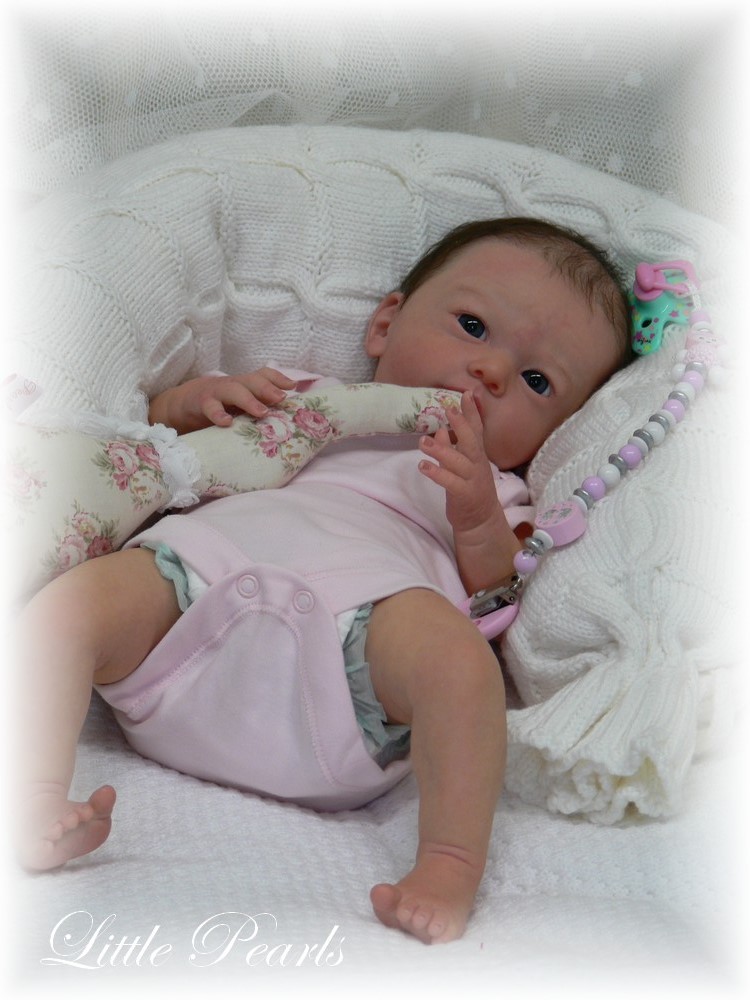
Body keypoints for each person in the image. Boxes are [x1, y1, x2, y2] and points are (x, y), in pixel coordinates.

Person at [17, 217, 631, 944]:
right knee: (64, 610)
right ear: (385, 323)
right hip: (195, 584)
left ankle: (449, 861)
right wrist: (196, 403)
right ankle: (32, 790)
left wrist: (474, 516)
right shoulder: (303, 398)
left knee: (464, 669)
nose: (492, 372)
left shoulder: (501, 491)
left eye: (537, 381)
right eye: (472, 326)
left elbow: (498, 591)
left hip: (360, 649)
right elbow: (162, 448)